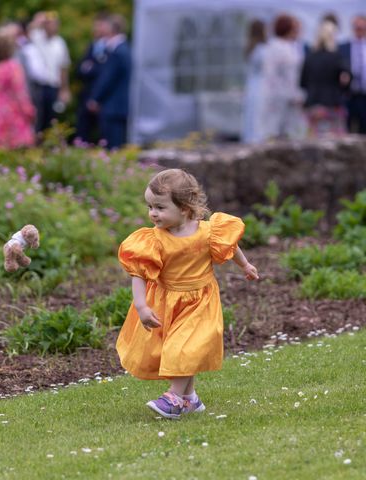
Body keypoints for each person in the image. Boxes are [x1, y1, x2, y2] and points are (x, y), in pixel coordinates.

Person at [117, 169, 259, 419]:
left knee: (185, 347)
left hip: (201, 300)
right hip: (166, 300)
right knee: (174, 349)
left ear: (184, 208)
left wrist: (245, 265)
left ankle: (173, 398)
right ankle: (190, 399)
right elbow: (138, 273)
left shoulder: (207, 232)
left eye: (160, 207)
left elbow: (231, 246)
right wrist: (141, 306)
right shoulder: (153, 240)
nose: (152, 213)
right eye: (150, 206)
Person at [255, 14, 306, 142]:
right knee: (279, 132)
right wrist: (295, 95)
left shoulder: (279, 47)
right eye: (295, 30)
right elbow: (287, 77)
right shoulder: (281, 48)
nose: (298, 33)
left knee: (280, 132)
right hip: (281, 98)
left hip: (280, 96)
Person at [86, 14, 132, 149]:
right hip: (116, 106)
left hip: (113, 106)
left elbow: (107, 79)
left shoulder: (118, 51)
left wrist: (95, 98)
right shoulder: (123, 48)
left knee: (113, 146)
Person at [0, 32, 35, 149]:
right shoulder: (12, 67)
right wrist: (29, 111)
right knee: (16, 147)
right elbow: (20, 92)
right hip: (10, 111)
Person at [300, 21, 351, 137]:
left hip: (312, 104)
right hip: (332, 105)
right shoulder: (336, 57)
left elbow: (302, 83)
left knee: (313, 141)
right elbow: (345, 80)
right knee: (336, 143)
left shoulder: (310, 57)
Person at [29, 11, 72, 133]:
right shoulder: (37, 37)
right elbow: (29, 30)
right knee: (37, 118)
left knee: (50, 119)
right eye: (49, 24)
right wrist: (38, 20)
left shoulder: (60, 43)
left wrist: (64, 89)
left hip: (53, 86)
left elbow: (63, 67)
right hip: (38, 86)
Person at [74, 13, 110, 144]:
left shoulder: (111, 47)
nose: (96, 29)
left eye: (100, 25)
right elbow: (79, 70)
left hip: (103, 97)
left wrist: (90, 68)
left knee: (103, 134)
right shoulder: (91, 46)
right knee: (83, 131)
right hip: (87, 95)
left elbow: (104, 72)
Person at [241, 19, 267, 143]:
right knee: (258, 114)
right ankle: (256, 139)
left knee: (251, 114)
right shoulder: (261, 49)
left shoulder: (251, 47)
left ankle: (250, 137)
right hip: (261, 84)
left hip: (252, 84)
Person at [339, 15, 366, 133]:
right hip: (348, 94)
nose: (359, 29)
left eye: (362, 27)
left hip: (365, 94)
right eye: (357, 27)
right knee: (347, 129)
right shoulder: (343, 47)